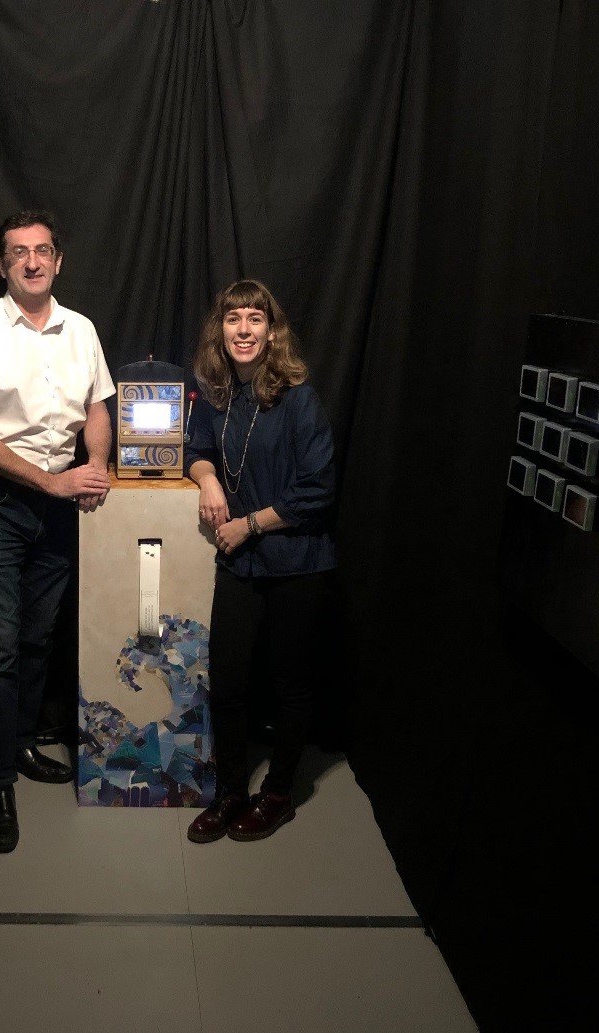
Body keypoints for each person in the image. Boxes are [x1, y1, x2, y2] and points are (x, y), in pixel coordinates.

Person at [0, 210, 115, 854]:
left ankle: (18, 746)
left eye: (43, 251)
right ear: (2, 265)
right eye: (19, 253)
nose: (33, 262)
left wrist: (94, 463)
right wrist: (51, 483)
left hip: (59, 508)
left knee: (38, 638)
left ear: (58, 261)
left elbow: (98, 405)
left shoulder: (82, 330)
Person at [183, 279, 338, 844]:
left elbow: (317, 492)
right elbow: (195, 449)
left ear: (271, 331)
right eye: (233, 319)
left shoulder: (298, 397)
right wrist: (209, 482)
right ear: (219, 330)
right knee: (226, 683)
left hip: (297, 561)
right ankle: (230, 794)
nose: (243, 330)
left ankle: (277, 796)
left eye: (254, 319)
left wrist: (247, 524)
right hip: (241, 564)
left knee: (291, 685)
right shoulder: (217, 393)